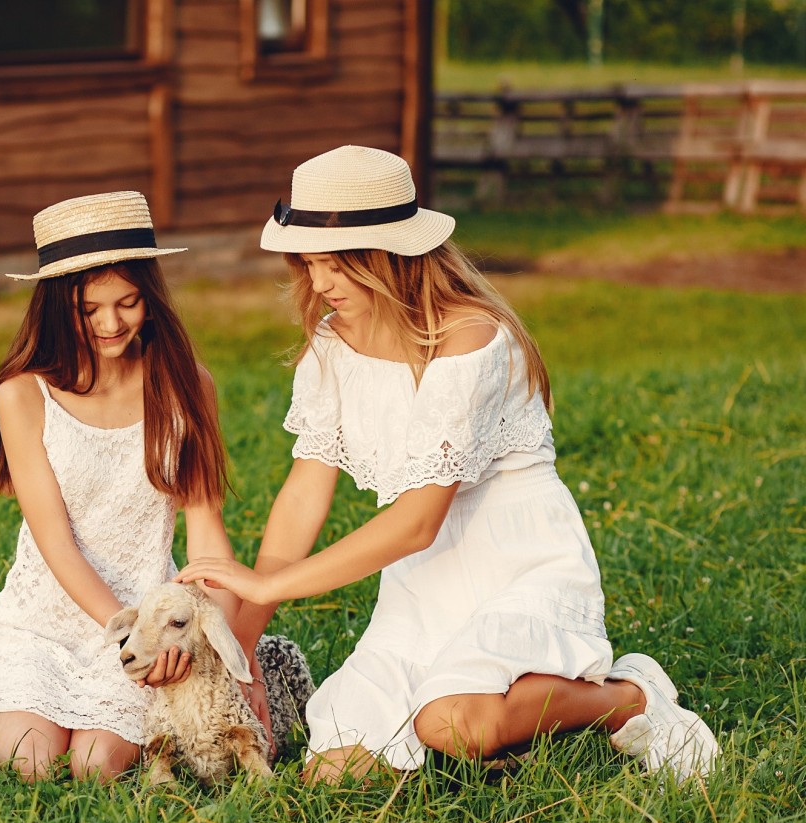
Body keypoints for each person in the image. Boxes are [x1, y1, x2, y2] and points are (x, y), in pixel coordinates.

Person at [177, 145, 720, 785]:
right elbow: (304, 493)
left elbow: (416, 523)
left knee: (456, 726)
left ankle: (626, 697)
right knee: (335, 771)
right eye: (310, 264)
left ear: (390, 258)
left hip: (518, 563)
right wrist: (244, 642)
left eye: (338, 266)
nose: (319, 283)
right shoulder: (332, 343)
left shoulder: (472, 339)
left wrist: (269, 586)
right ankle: (506, 724)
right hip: (422, 586)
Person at [0, 190, 240, 781]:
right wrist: (127, 634)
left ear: (151, 297)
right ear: (57, 305)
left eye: (129, 302)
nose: (111, 323)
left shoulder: (188, 387)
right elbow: (56, 544)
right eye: (90, 309)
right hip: (51, 619)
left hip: (150, 622)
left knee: (95, 767)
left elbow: (207, 540)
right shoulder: (23, 395)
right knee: (30, 763)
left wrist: (213, 650)